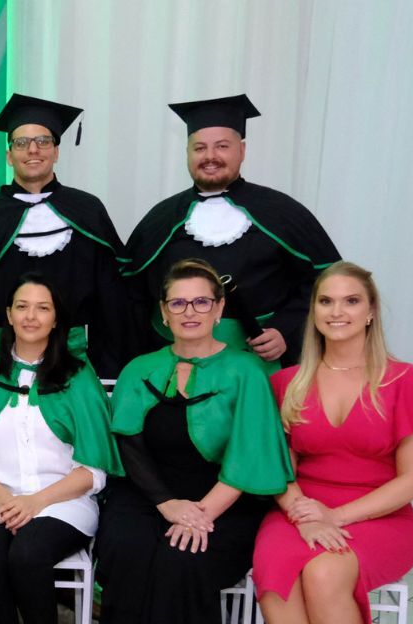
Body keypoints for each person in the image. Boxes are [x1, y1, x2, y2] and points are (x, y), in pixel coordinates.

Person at [94, 258, 295, 623]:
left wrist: (201, 515)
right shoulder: (138, 368)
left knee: (182, 559)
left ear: (219, 308)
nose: (190, 311)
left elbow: (250, 455)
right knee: (126, 550)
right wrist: (167, 504)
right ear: (164, 312)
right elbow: (128, 444)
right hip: (148, 492)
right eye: (178, 303)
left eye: (201, 302)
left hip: (226, 499)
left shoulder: (247, 371)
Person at [254, 262, 413, 623]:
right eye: (326, 301)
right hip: (298, 510)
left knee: (324, 573)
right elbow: (277, 469)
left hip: (379, 517)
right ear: (314, 311)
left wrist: (335, 516)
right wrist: (305, 516)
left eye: (351, 301)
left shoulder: (408, 382)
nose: (337, 312)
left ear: (371, 312)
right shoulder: (286, 383)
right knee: (275, 578)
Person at [123, 95, 340, 366]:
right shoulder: (161, 217)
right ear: (187, 153)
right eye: (199, 148)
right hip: (176, 362)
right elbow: (131, 294)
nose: (210, 156)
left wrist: (284, 329)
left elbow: (327, 279)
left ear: (242, 150)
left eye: (222, 146)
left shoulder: (283, 211)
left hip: (259, 362)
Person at [0, 274, 122, 624]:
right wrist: (4, 498)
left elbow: (93, 470)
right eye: (22, 307)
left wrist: (34, 502)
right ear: (9, 315)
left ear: (56, 318)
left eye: (42, 308)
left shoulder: (78, 378)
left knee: (27, 554)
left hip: (63, 500)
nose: (31, 316)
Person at [0, 94, 136, 378]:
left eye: (43, 141)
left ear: (56, 152)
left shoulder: (87, 210)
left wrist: (106, 368)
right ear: (8, 155)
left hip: (76, 366)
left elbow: (113, 300)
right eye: (21, 142)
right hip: (0, 367)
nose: (33, 150)